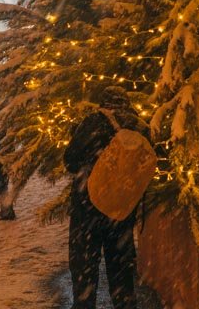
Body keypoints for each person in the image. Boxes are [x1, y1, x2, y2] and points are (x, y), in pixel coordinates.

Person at [64, 86, 150, 309]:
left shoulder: (92, 123)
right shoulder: (139, 126)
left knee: (85, 269)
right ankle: (125, 303)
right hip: (121, 211)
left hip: (88, 209)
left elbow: (70, 160)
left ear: (103, 103)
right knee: (121, 274)